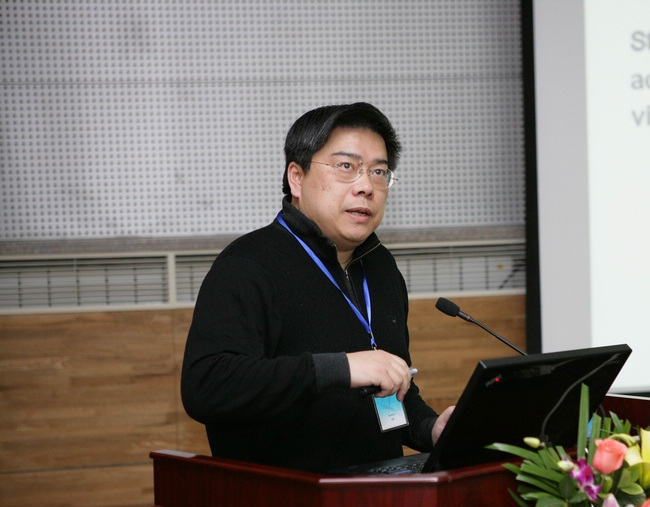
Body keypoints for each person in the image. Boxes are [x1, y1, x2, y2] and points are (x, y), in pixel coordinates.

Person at [181, 102, 453, 472]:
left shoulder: (380, 266)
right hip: (285, 495)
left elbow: (386, 392)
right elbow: (208, 386)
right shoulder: (247, 265)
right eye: (346, 167)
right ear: (297, 177)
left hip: (378, 492)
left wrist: (429, 429)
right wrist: (340, 368)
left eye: (378, 172)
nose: (366, 187)